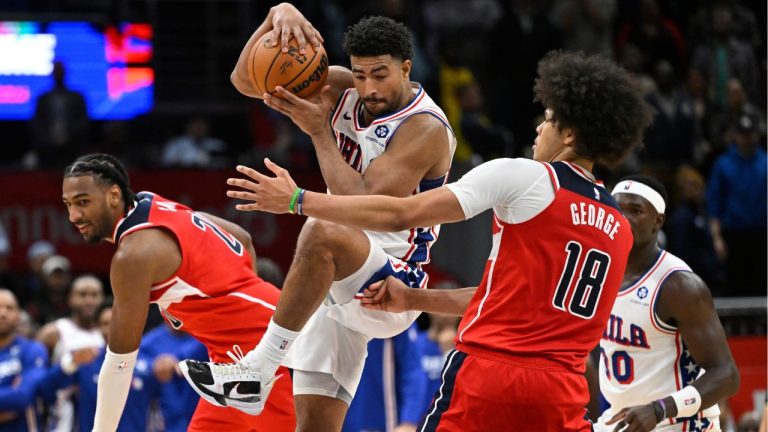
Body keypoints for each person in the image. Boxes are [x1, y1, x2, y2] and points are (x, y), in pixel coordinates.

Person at [224, 50, 653, 430]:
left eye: (550, 120)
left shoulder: (524, 175)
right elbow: (497, 296)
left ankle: (260, 366)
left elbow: (399, 211)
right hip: (562, 392)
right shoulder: (619, 227)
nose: (540, 129)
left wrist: (298, 199)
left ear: (571, 135)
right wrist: (413, 299)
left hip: (489, 375)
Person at [184, 4, 456, 432]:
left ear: (406, 68)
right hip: (335, 285)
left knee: (322, 230)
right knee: (312, 426)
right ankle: (256, 376)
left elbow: (362, 203)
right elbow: (244, 82)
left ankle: (257, 369)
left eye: (380, 75)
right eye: (360, 74)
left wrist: (317, 135)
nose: (368, 87)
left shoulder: (423, 128)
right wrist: (278, 14)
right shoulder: (342, 88)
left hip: (393, 279)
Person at [60, 153, 295, 431]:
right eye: (68, 205)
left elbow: (121, 362)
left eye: (83, 202)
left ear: (113, 195)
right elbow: (242, 238)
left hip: (266, 351)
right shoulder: (149, 202)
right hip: (232, 359)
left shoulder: (133, 255)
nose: (74, 216)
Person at [593, 175, 739, 432]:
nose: (623, 218)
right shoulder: (600, 272)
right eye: (617, 209)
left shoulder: (679, 285)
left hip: (678, 423)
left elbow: (727, 375)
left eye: (636, 210)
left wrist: (660, 408)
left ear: (657, 221)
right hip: (621, 420)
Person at [38, 301, 162, 432]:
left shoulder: (148, 365)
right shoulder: (85, 361)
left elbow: (165, 406)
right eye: (106, 323)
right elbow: (45, 390)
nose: (113, 328)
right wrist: (69, 364)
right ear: (97, 328)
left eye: (118, 321)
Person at [706, 113, 767, 297]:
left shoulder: (765, 163)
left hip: (761, 235)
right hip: (733, 235)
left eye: (750, 134)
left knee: (761, 285)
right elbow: (714, 202)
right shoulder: (723, 164)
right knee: (734, 285)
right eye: (743, 134)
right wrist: (717, 238)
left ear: (756, 135)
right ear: (736, 136)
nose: (747, 139)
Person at [36, 274, 105, 432]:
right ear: (70, 299)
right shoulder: (54, 332)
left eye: (94, 295)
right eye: (82, 295)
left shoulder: (107, 334)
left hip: (97, 415)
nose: (89, 300)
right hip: (62, 417)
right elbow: (38, 380)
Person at [342, 323, 428, 432]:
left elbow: (412, 370)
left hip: (381, 421)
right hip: (342, 416)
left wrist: (409, 420)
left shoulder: (392, 313)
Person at [140, 322, 208, 432]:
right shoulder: (148, 343)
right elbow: (136, 365)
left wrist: (176, 360)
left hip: (202, 413)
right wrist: (153, 365)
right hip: (165, 418)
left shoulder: (205, 338)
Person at [0, 289, 48, 432]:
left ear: (19, 315)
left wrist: (16, 394)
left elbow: (23, 395)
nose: (3, 313)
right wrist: (10, 392)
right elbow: (14, 396)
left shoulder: (33, 350)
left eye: (9, 308)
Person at [29, 60, 89, 169]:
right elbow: (36, 122)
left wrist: (67, 135)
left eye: (60, 71)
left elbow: (84, 121)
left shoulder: (77, 97)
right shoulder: (43, 99)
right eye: (56, 71)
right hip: (47, 144)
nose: (58, 74)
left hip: (72, 142)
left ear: (65, 73)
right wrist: (50, 137)